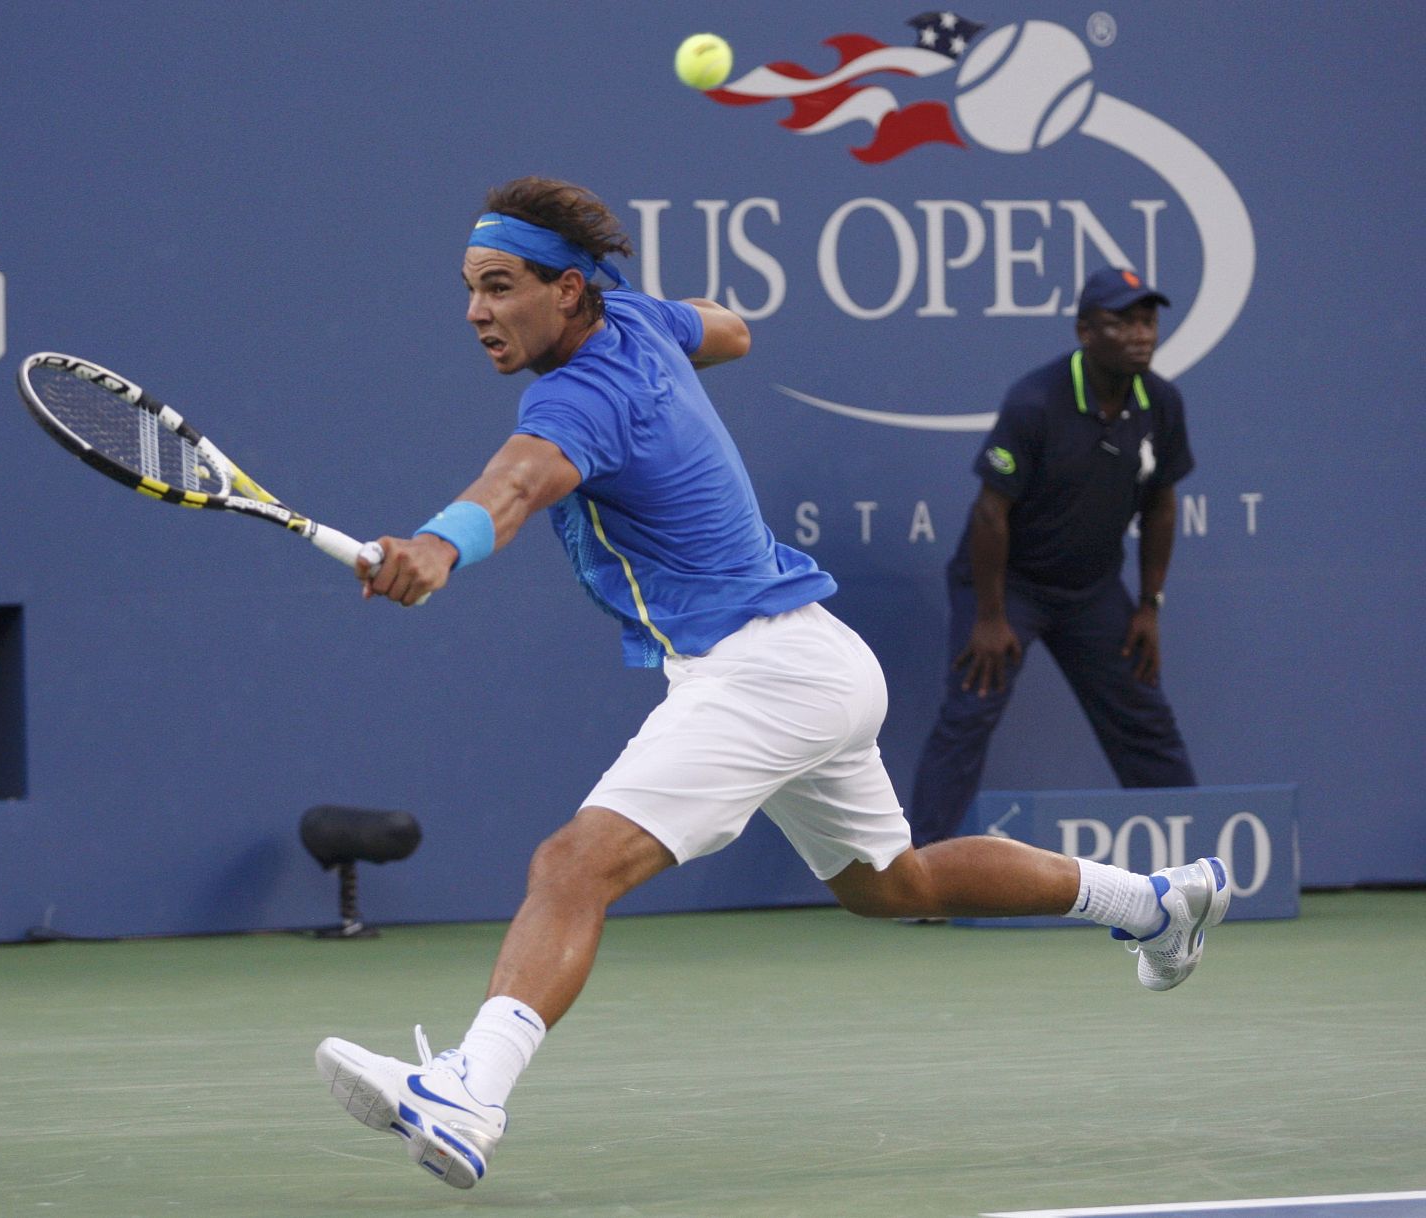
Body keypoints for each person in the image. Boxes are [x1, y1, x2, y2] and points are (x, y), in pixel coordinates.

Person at [314, 184, 1229, 1191]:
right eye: (469, 290)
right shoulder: (635, 320)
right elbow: (732, 330)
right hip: (819, 659)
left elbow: (518, 483)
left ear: (565, 290)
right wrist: (658, 333)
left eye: (499, 287)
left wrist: (442, 545)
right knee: (896, 886)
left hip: (761, 671)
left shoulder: (574, 397)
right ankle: (1151, 903)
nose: (476, 312)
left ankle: (468, 1092)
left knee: (572, 868)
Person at [907, 267, 1199, 849]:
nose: (1141, 335)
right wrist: (990, 618)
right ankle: (923, 871)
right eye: (1122, 323)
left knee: (1144, 716)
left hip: (1092, 590)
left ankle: (1195, 864)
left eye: (1148, 321)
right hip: (1005, 585)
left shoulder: (1160, 402)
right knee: (970, 713)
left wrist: (1149, 606)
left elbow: (1161, 507)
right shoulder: (1035, 401)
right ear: (1085, 331)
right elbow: (992, 514)